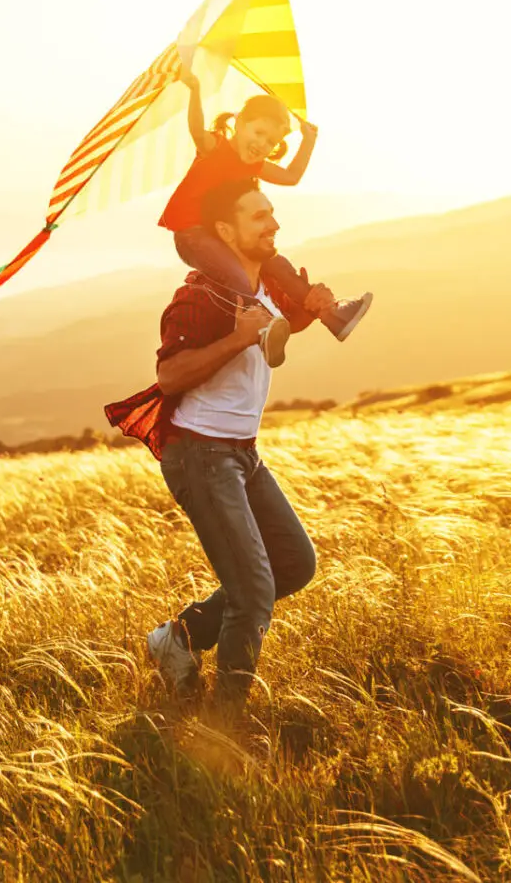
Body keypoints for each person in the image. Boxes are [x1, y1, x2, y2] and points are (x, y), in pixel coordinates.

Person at [106, 178, 330, 710]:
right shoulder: (199, 296)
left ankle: (176, 639)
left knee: (294, 565)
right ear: (224, 231)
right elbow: (170, 375)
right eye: (259, 216)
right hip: (202, 455)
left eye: (273, 212)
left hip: (242, 454)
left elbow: (274, 332)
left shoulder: (262, 291)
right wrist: (238, 336)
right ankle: (225, 724)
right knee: (252, 594)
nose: (273, 223)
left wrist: (313, 310)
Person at [156, 69, 371, 367]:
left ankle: (332, 314)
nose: (262, 145)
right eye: (258, 133)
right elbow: (196, 130)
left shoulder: (255, 166)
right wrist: (194, 90)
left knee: (277, 265)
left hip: (225, 237)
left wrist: (308, 140)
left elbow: (291, 176)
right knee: (237, 275)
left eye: (270, 141)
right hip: (192, 235)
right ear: (240, 123)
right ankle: (262, 329)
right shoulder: (216, 147)